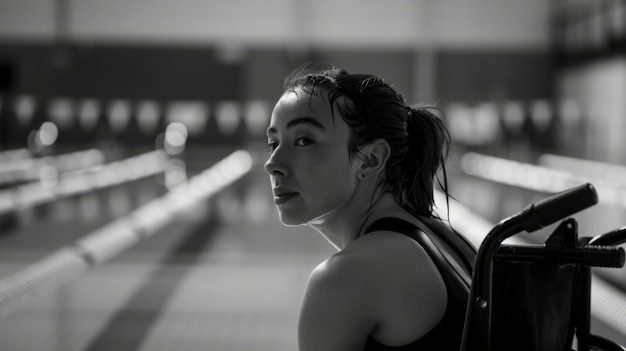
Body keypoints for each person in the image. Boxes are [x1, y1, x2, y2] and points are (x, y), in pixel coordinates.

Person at [264, 65, 475, 351]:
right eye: (273, 143)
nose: (272, 164)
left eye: (304, 140)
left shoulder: (347, 275)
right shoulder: (442, 236)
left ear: (371, 159)